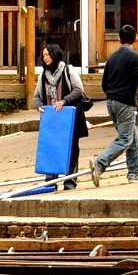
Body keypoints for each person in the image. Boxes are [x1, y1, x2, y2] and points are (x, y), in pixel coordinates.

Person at [90, 23, 138, 185]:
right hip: (125, 103)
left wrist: (112, 96)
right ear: (136, 38)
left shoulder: (112, 58)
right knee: (125, 139)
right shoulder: (135, 58)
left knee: (132, 137)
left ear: (119, 40)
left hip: (111, 102)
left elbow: (104, 83)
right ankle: (99, 163)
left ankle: (134, 173)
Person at [33, 42, 90, 189]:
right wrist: (39, 107)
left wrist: (64, 101)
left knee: (71, 147)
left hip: (69, 116)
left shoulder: (68, 70)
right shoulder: (43, 76)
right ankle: (50, 180)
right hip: (52, 118)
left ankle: (70, 180)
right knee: (51, 147)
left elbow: (79, 90)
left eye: (48, 54)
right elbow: (36, 97)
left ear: (55, 54)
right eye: (43, 55)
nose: (45, 58)